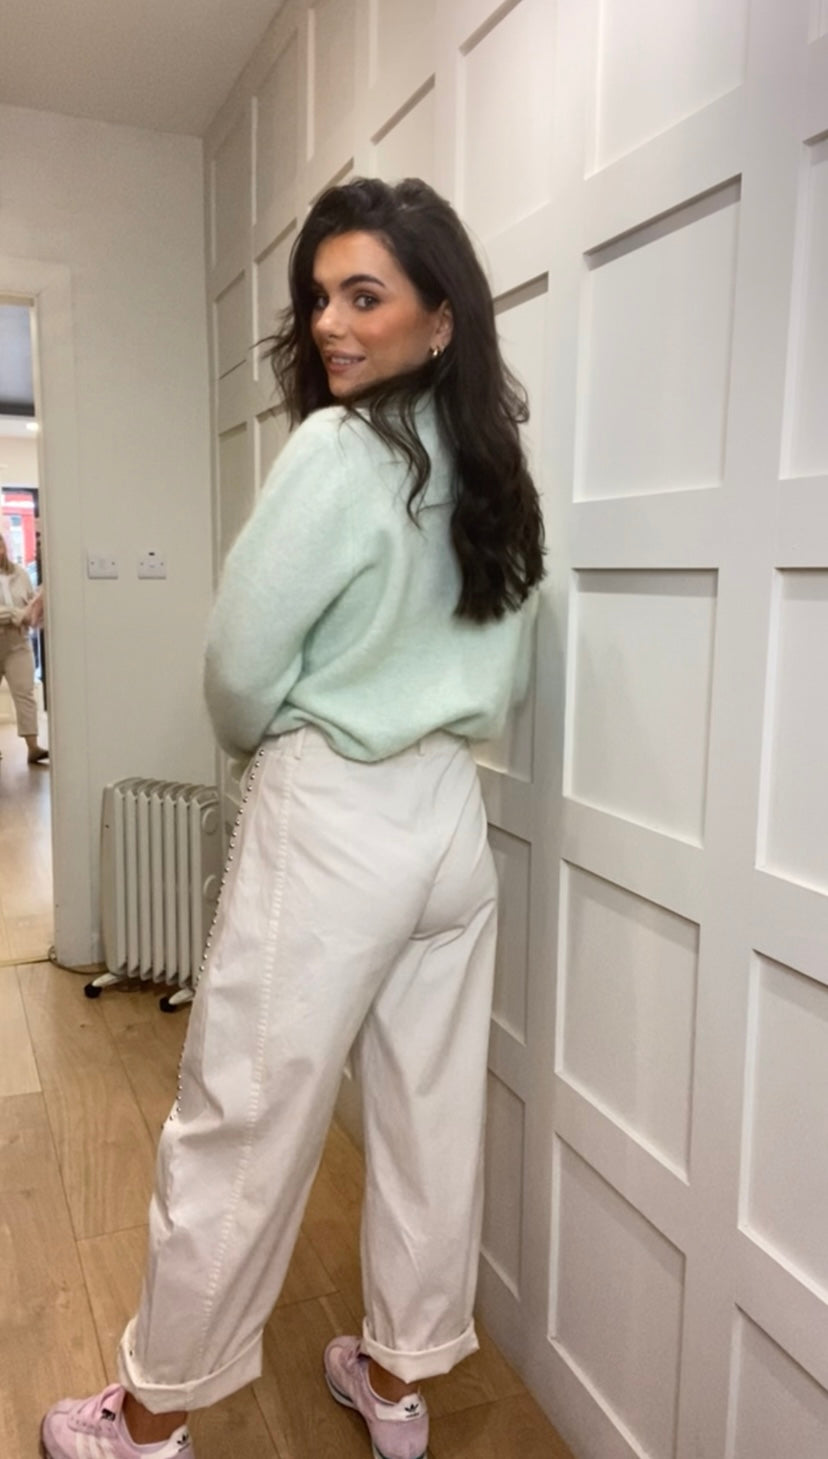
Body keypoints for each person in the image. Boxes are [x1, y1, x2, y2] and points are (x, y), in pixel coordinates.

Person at [41, 176, 544, 1459]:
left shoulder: (339, 451)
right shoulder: (494, 470)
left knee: (243, 1119)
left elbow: (238, 666)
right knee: (433, 1119)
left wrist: (267, 744)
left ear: (442, 316)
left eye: (364, 295)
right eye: (320, 297)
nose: (329, 323)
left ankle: (147, 1418)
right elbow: (505, 662)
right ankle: (398, 1384)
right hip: (450, 820)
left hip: (336, 808)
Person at [0, 532, 48, 764]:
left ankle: (33, 747)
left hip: (18, 642)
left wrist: (28, 614)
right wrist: (13, 614)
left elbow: (31, 605)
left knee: (25, 694)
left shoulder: (20, 573)